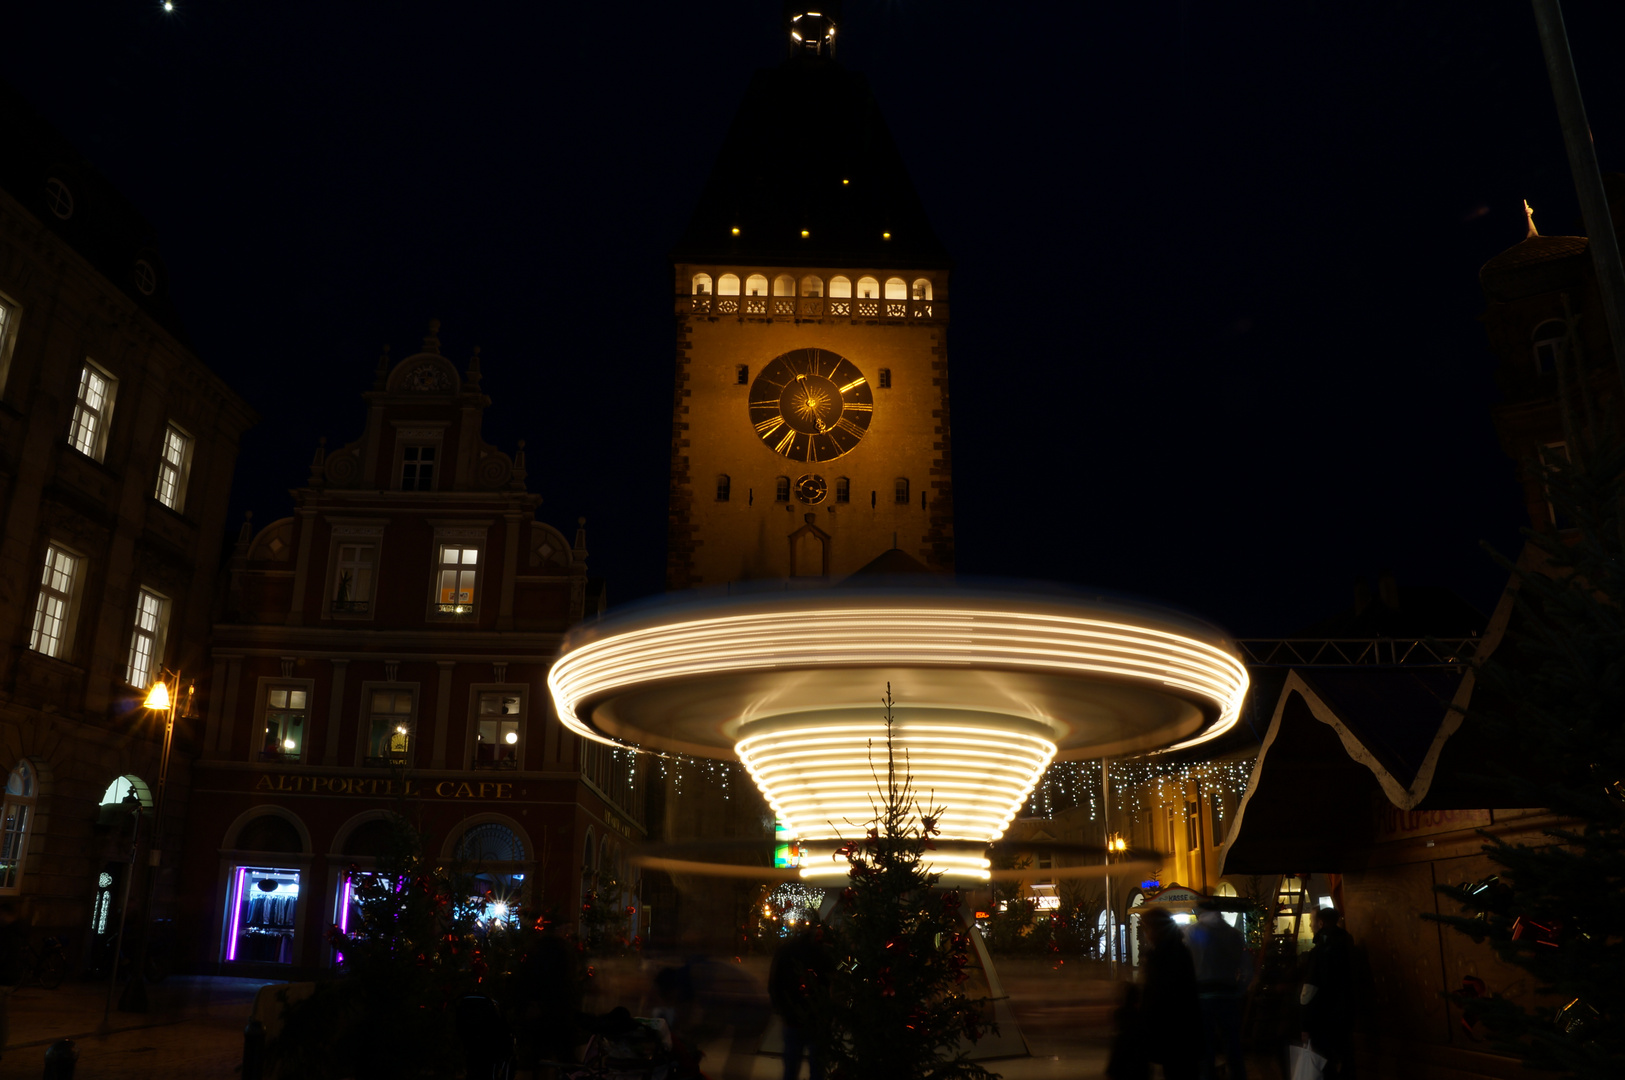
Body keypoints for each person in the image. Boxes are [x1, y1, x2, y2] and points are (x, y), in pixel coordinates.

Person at [1188, 900, 1248, 1080]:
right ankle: (1238, 1076)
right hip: (1228, 993)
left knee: (1205, 1046)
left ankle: (1208, 1076)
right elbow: (1245, 966)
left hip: (1203, 995)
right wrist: (1240, 989)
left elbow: (1188, 962)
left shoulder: (1193, 932)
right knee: (1233, 1043)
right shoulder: (1234, 934)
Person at [1140, 909, 1201, 1080]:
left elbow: (1156, 994)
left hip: (1171, 1030)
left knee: (1176, 1071)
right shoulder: (1181, 950)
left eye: (1147, 928)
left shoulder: (1160, 955)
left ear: (1156, 929)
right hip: (1184, 1029)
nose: (1146, 934)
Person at [769, 928, 830, 1080]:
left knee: (791, 1067)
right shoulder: (822, 953)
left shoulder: (786, 952)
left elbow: (775, 983)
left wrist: (782, 1009)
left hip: (792, 1018)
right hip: (817, 1018)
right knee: (817, 1067)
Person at [1300, 907, 1353, 1077]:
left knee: (1324, 1061)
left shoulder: (1320, 951)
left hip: (1322, 1015)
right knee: (1345, 1058)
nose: (1310, 925)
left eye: (1312, 921)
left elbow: (1310, 989)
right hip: (1346, 1012)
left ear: (1321, 923)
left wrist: (1305, 1024)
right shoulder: (1347, 942)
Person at [0, 898, 30, 1061]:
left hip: (3, 978)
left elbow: (2, 956)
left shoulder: (8, 934)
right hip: (11, 978)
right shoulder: (19, 930)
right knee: (3, 1017)